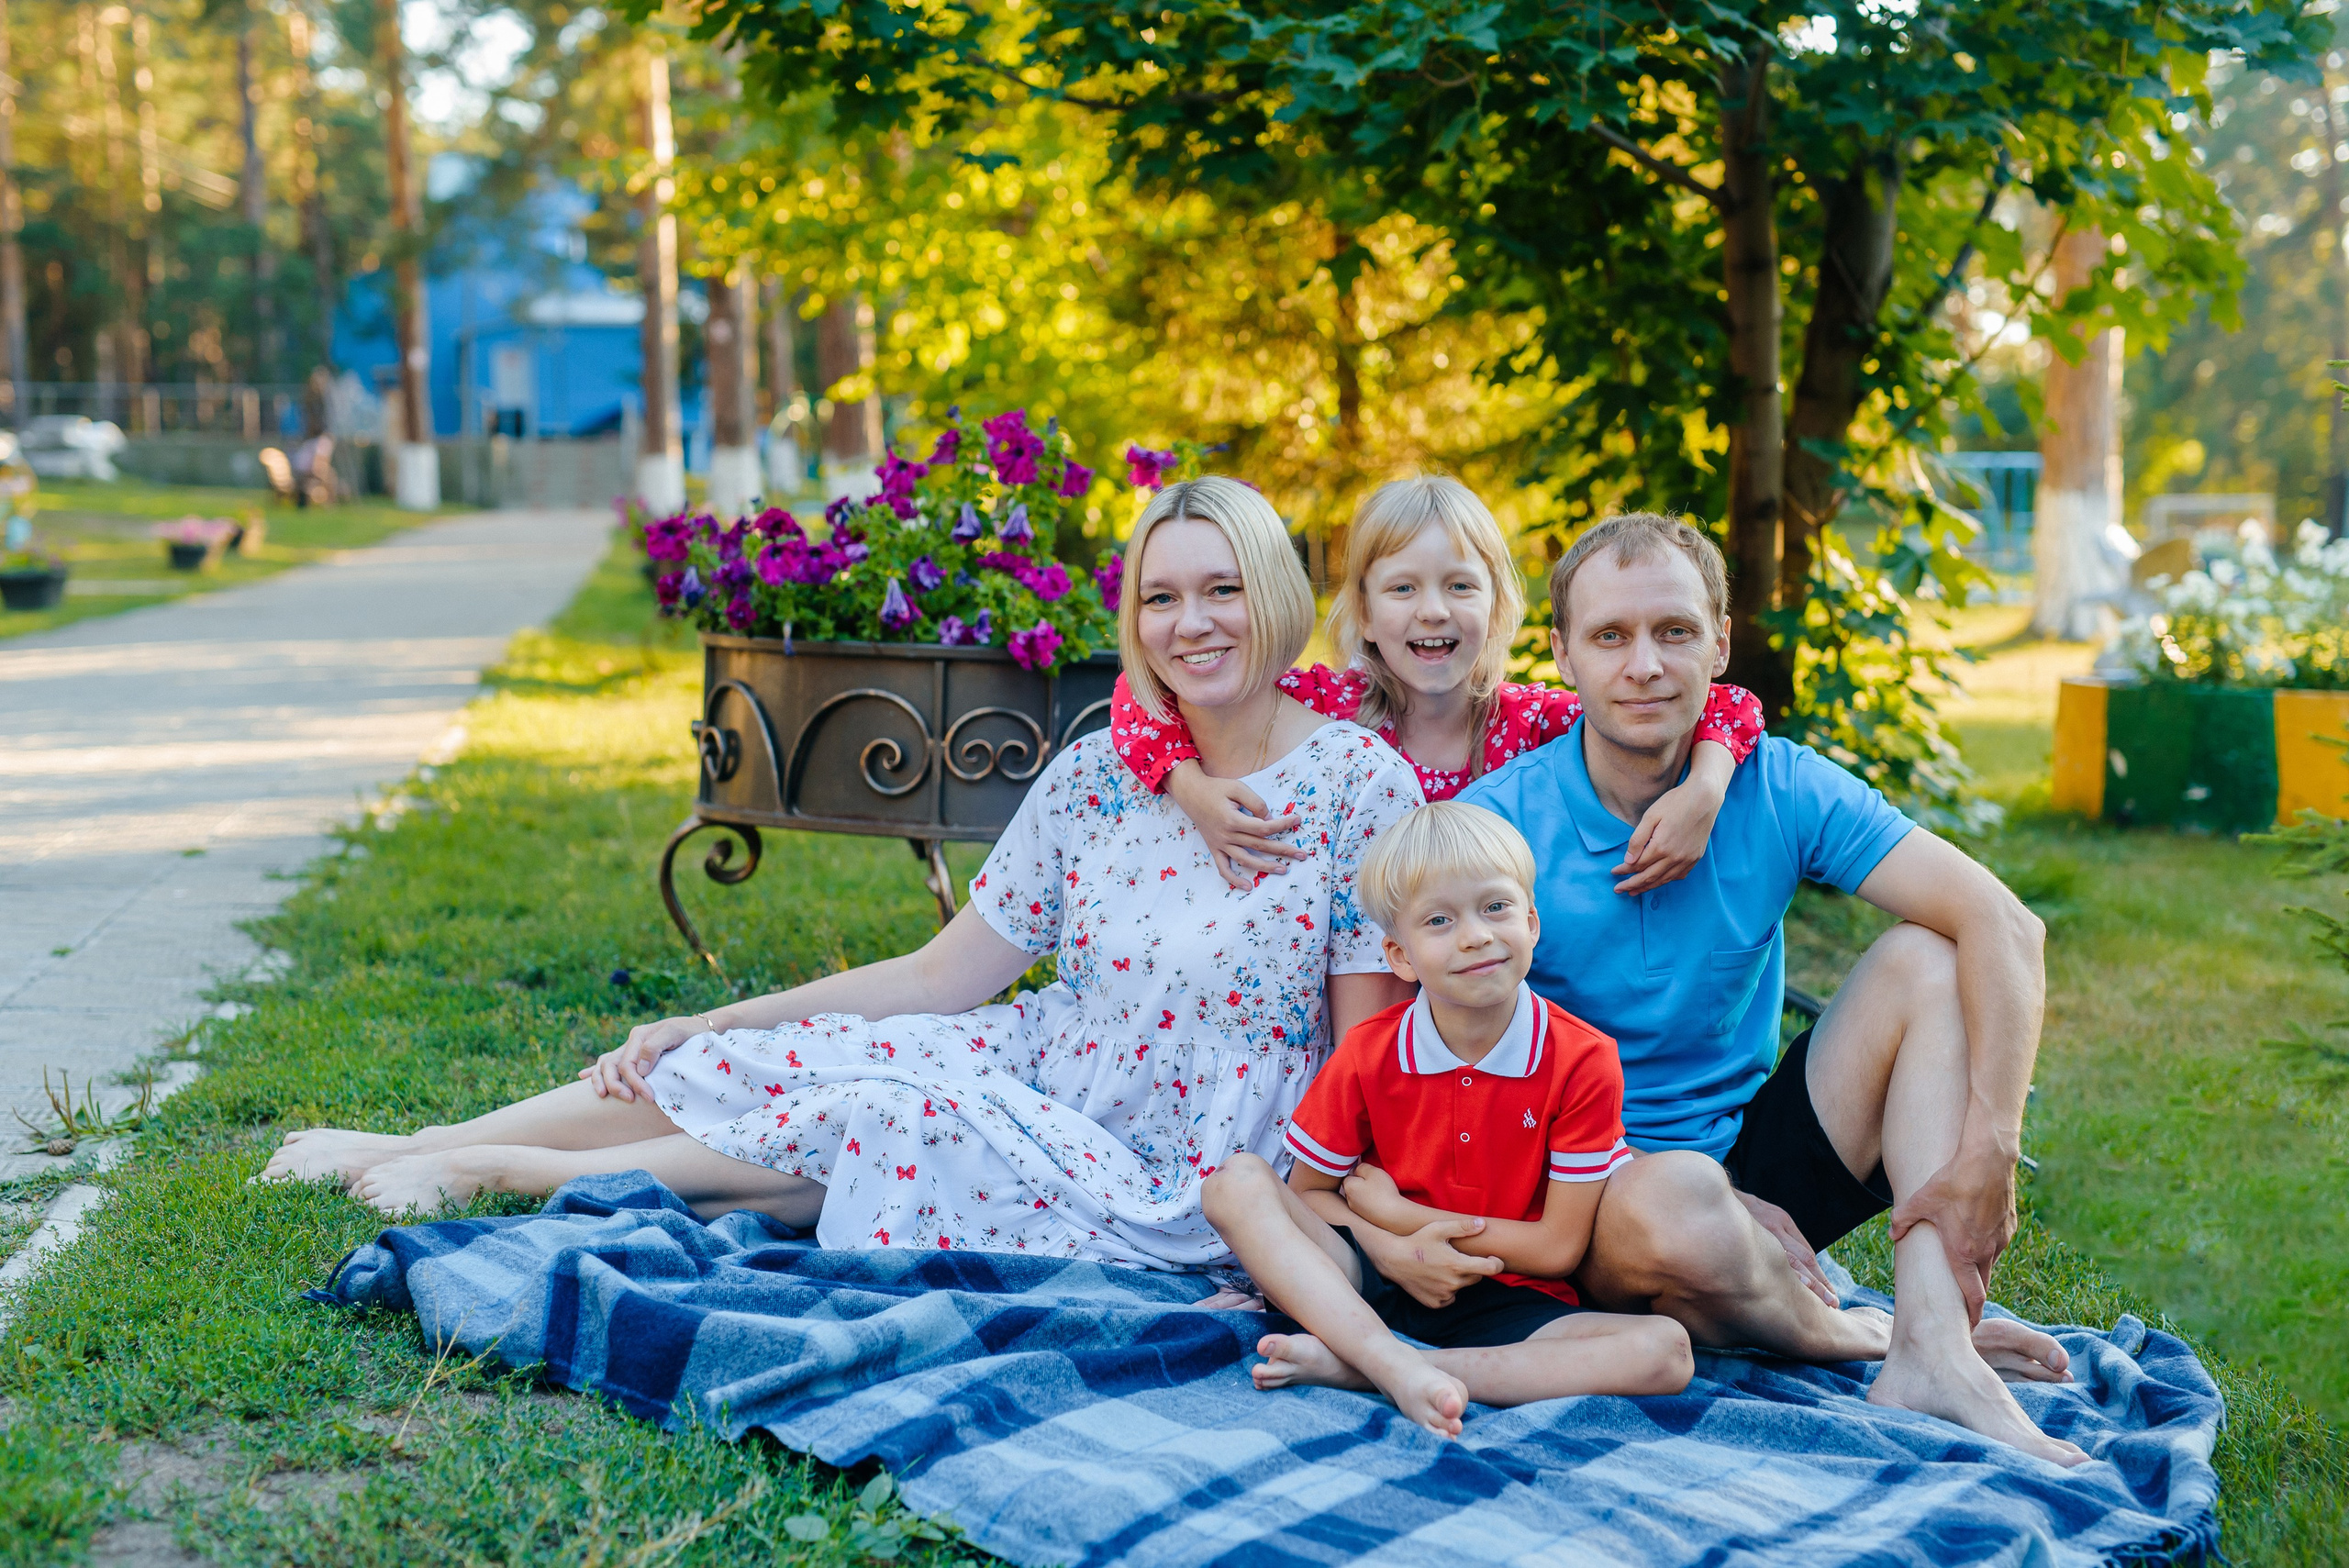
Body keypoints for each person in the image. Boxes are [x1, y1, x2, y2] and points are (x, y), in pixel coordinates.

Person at [259, 475, 1423, 1269]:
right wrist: (713, 1014)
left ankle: (494, 1171)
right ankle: (413, 1143)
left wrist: (1325, 1222)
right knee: (770, 1055)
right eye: (1161, 597)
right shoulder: (1101, 773)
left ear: (1273, 594)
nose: (1191, 623)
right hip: (1046, 1061)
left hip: (1190, 1158)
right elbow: (938, 976)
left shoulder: (1356, 785)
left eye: (1221, 589)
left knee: (889, 1113)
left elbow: (1363, 1050)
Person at [1427, 512, 2085, 1466]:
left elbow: (2006, 923)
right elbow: (1450, 1074)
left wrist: (1991, 1146)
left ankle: (1932, 1345)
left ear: (1721, 644)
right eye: (1610, 636)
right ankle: (1860, 1333)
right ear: (1563, 654)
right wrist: (1710, 1202)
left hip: (1754, 1161)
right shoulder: (1497, 824)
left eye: (1675, 631)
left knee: (1927, 956)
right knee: (1676, 1204)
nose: (1645, 665)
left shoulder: (1777, 784)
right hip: (1589, 1190)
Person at [1201, 801, 1692, 1437]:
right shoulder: (1370, 1051)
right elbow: (1310, 1195)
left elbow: (1556, 1247)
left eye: (1496, 907)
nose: (1475, 935)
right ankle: (1385, 1359)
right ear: (1400, 956)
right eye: (1439, 920)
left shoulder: (1583, 1058)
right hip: (1368, 1276)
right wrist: (1393, 1248)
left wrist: (1405, 1218)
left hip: (1505, 1291)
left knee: (1665, 1350)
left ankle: (1369, 1367)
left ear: (1531, 922)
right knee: (1235, 1182)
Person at [1106, 474, 1765, 889]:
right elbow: (1144, 692)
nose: (1432, 611)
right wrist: (1190, 789)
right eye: (1402, 588)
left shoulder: (1534, 723)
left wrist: (1705, 786)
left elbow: (1728, 703)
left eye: (1459, 586)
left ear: (1497, 606)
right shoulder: (1325, 708)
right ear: (1365, 612)